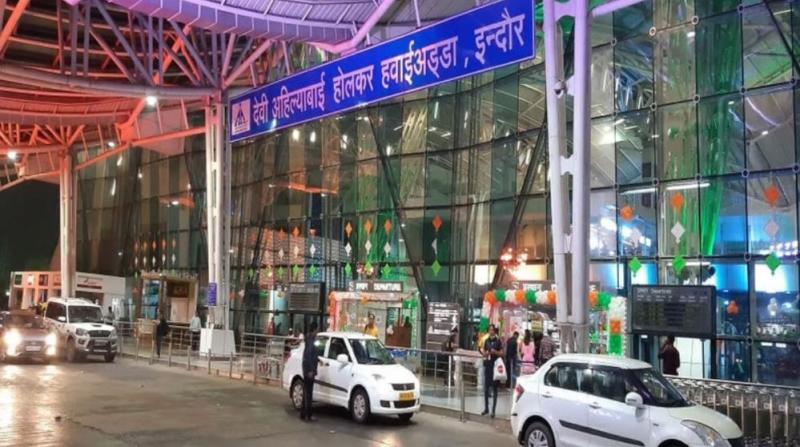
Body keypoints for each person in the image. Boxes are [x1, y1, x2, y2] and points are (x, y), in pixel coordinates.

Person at [479, 324, 504, 418]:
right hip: (488, 366)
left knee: (495, 389)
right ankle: (486, 408)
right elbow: (484, 352)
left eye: (492, 330)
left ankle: (493, 410)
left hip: (495, 367)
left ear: (495, 331)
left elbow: (502, 353)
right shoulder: (486, 341)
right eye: (489, 330)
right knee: (486, 388)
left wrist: (496, 352)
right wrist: (485, 354)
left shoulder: (498, 341)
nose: (491, 331)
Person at [301, 322, 319, 422]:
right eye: (317, 330)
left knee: (306, 392)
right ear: (314, 330)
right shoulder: (311, 341)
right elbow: (309, 356)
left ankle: (303, 413)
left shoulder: (308, 339)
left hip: (306, 369)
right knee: (309, 393)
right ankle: (308, 414)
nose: (317, 332)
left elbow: (310, 355)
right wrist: (311, 370)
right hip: (309, 370)